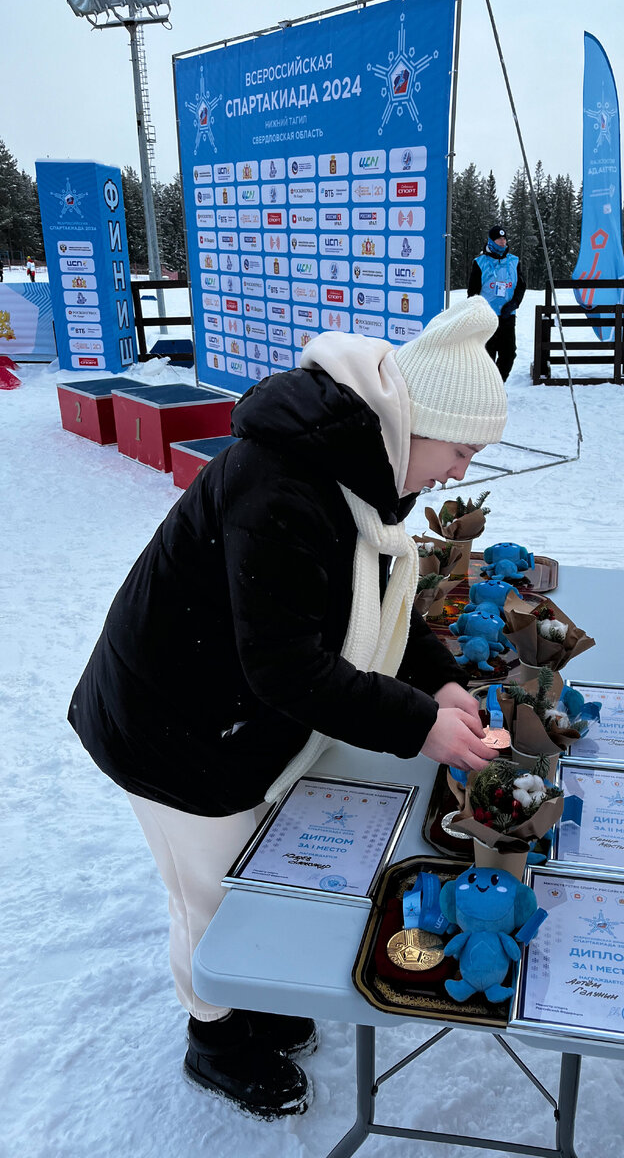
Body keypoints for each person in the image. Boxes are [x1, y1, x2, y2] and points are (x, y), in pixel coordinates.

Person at [67, 295, 506, 1118]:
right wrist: (418, 725)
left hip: (226, 715)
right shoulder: (284, 484)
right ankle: (215, 1038)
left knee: (250, 874)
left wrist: (438, 680)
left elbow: (376, 598)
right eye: (460, 449)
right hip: (171, 729)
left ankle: (250, 996)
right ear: (417, 423)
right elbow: (285, 665)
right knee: (212, 893)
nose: (459, 472)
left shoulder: (353, 470)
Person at [467, 225, 525, 382]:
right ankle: (487, 388)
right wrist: (479, 310)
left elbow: (521, 286)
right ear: (491, 241)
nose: (502, 241)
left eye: (504, 238)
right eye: (499, 239)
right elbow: (472, 292)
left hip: (507, 316)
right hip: (487, 317)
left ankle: (497, 385)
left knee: (509, 353)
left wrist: (514, 304)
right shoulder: (479, 262)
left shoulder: (514, 261)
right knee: (487, 355)